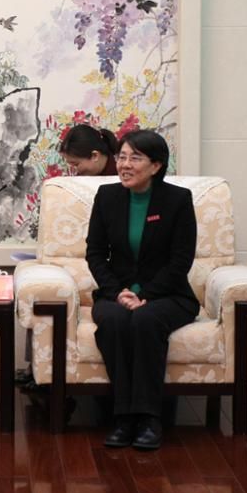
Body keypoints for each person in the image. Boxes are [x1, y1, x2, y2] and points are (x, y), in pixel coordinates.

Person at [86, 129, 197, 450]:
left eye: (135, 158)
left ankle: (149, 419)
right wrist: (118, 292)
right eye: (121, 156)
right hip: (115, 293)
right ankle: (123, 419)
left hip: (169, 294)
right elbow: (95, 253)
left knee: (146, 320)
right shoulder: (107, 197)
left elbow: (181, 260)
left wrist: (145, 294)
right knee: (115, 320)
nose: (124, 164)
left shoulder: (177, 201)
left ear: (156, 165)